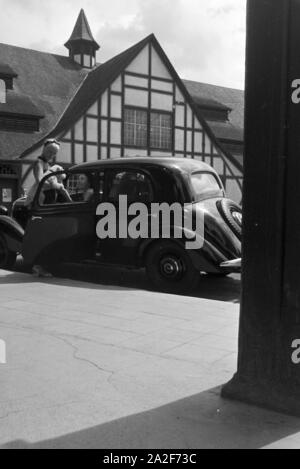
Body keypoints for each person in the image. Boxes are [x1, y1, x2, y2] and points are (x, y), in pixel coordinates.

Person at [25, 139, 61, 207]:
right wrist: (55, 185)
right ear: (44, 149)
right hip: (39, 201)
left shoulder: (47, 164)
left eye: (54, 153)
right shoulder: (39, 163)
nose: (51, 155)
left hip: (46, 201)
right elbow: (40, 181)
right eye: (50, 152)